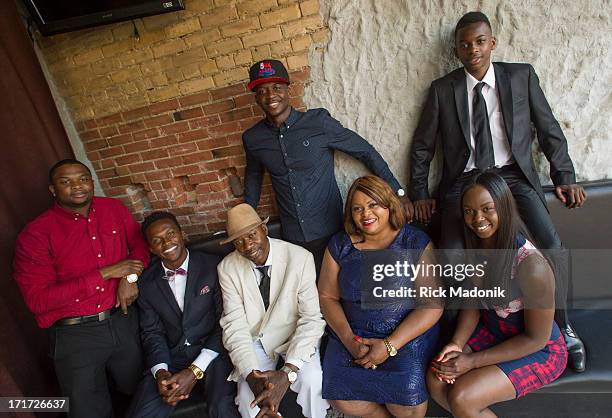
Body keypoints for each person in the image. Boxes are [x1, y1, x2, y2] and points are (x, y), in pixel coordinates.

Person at [409, 11, 585, 371]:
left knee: (551, 245)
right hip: (465, 180)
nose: (472, 49)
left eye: (479, 41)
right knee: (454, 259)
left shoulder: (520, 76)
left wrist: (564, 174)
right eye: (464, 44)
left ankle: (563, 327)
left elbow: (548, 128)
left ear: (492, 42)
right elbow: (423, 147)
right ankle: (467, 334)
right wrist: (419, 192)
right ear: (456, 50)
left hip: (512, 176)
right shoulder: (444, 90)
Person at [242, 59, 413, 274]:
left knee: (345, 288)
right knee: (310, 296)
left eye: (276, 88)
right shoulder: (253, 139)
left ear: (288, 88)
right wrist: (244, 223)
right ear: (256, 97)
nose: (270, 96)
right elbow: (253, 180)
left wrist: (397, 192)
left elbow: (365, 151)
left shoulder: (318, 122)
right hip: (293, 236)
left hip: (333, 231)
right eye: (262, 91)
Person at [13, 159, 150, 418]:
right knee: (88, 410)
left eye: (83, 179)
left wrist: (129, 278)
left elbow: (140, 247)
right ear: (52, 189)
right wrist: (106, 273)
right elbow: (38, 300)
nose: (78, 186)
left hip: (123, 320)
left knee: (143, 394)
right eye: (66, 182)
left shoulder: (113, 209)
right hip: (75, 337)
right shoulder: (36, 235)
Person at [427, 172, 567, 417]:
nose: (477, 219)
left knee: (463, 397)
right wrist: (457, 344)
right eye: (469, 211)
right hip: (494, 333)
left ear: (503, 207)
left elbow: (536, 339)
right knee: (436, 375)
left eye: (486, 209)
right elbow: (473, 303)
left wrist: (471, 361)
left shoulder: (532, 266)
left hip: (538, 349)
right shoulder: (476, 246)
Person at [318, 176, 443, 418]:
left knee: (407, 405)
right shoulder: (340, 246)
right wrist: (348, 340)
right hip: (353, 336)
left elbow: (433, 304)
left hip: (405, 335)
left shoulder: (414, 242)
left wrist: (389, 345)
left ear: (388, 205)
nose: (366, 213)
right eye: (357, 208)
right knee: (344, 398)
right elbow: (327, 296)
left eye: (373, 204)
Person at [217, 203, 328, 418]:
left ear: (264, 230)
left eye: (251, 235)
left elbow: (312, 319)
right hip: (257, 339)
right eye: (238, 241)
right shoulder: (227, 268)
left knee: (313, 380)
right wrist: (251, 375)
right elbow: (234, 325)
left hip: (294, 334)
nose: (247, 245)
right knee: (248, 399)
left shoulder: (300, 258)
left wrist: (287, 372)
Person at [128, 211, 239, 418]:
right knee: (142, 413)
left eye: (170, 234)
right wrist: (161, 372)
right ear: (151, 248)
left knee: (222, 408)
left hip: (215, 354)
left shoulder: (214, 266)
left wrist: (194, 371)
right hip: (173, 357)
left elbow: (226, 321)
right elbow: (152, 333)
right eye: (157, 240)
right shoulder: (146, 284)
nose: (166, 243)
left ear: (181, 233)